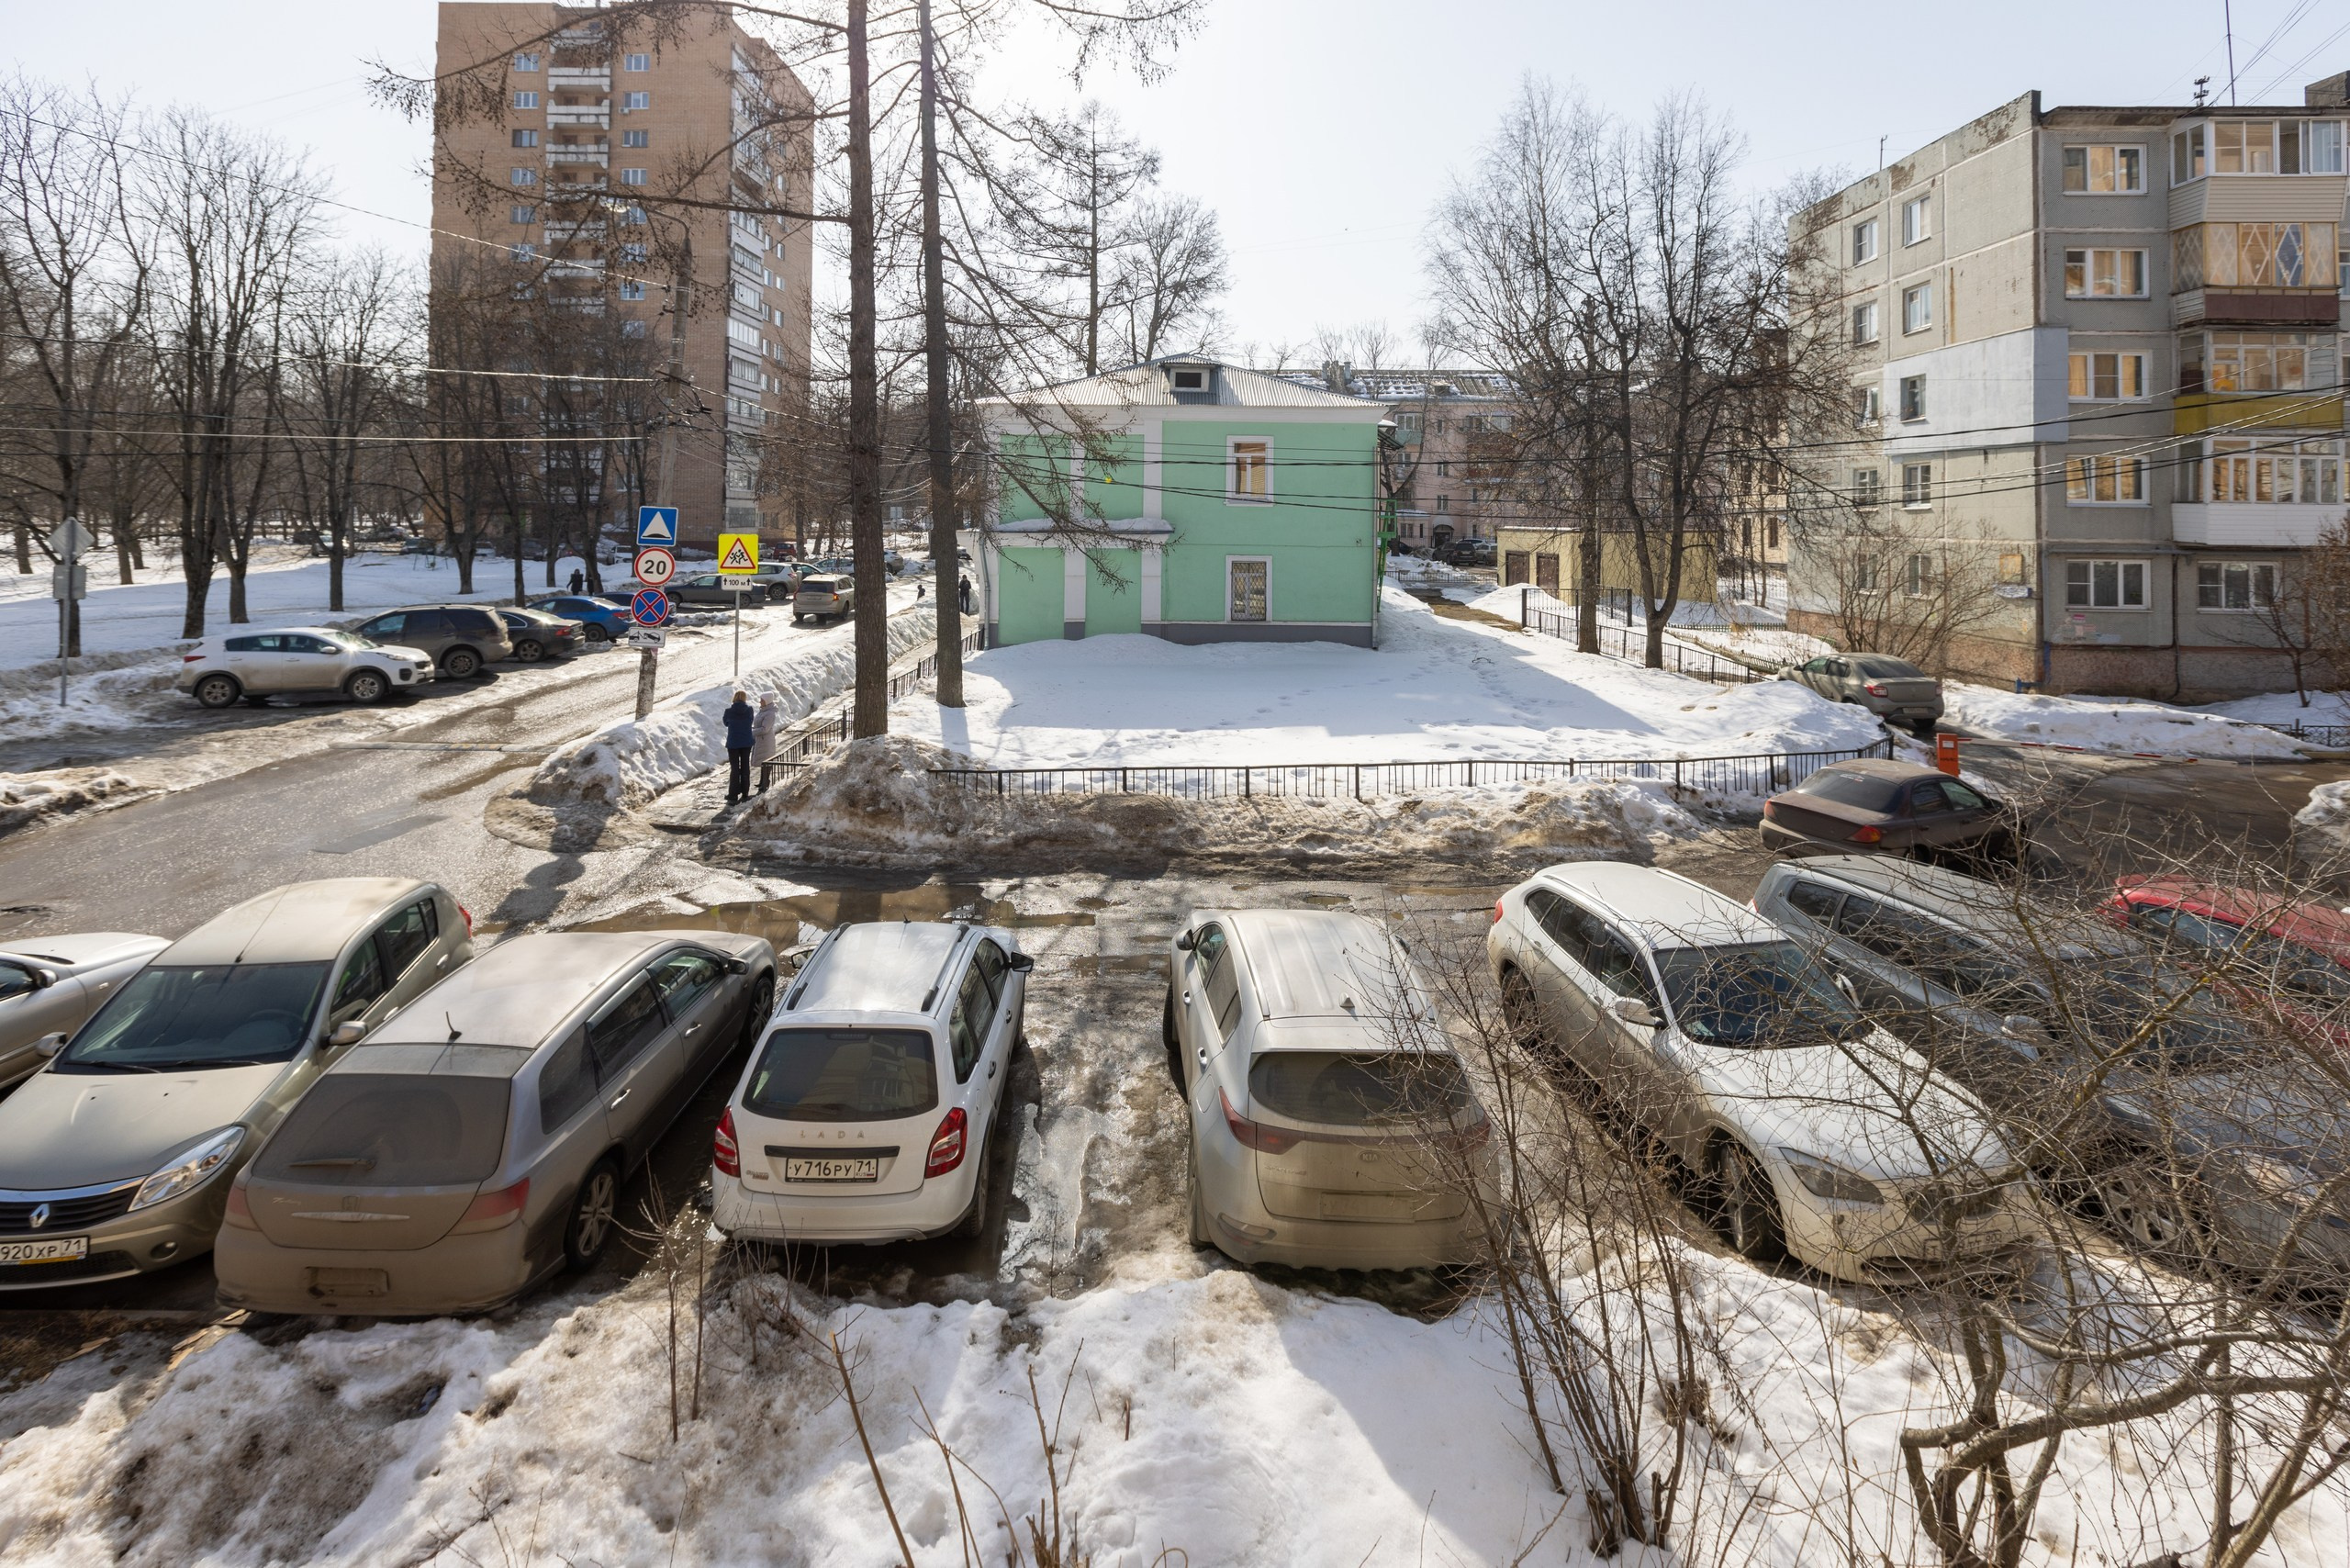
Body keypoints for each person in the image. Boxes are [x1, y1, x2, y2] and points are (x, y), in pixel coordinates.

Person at [722, 689, 755, 804]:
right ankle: (745, 792)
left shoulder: (728, 711)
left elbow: (726, 723)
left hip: (733, 743)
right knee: (745, 766)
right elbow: (751, 721)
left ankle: (733, 794)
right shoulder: (749, 710)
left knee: (735, 768)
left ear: (735, 698)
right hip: (746, 742)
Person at [752, 693, 781, 791]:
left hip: (766, 741)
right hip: (761, 740)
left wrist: (752, 732)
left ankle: (765, 782)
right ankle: (762, 782)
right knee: (762, 761)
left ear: (767, 701)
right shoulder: (763, 711)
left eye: (762, 700)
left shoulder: (770, 713)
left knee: (767, 761)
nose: (760, 702)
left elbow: (765, 729)